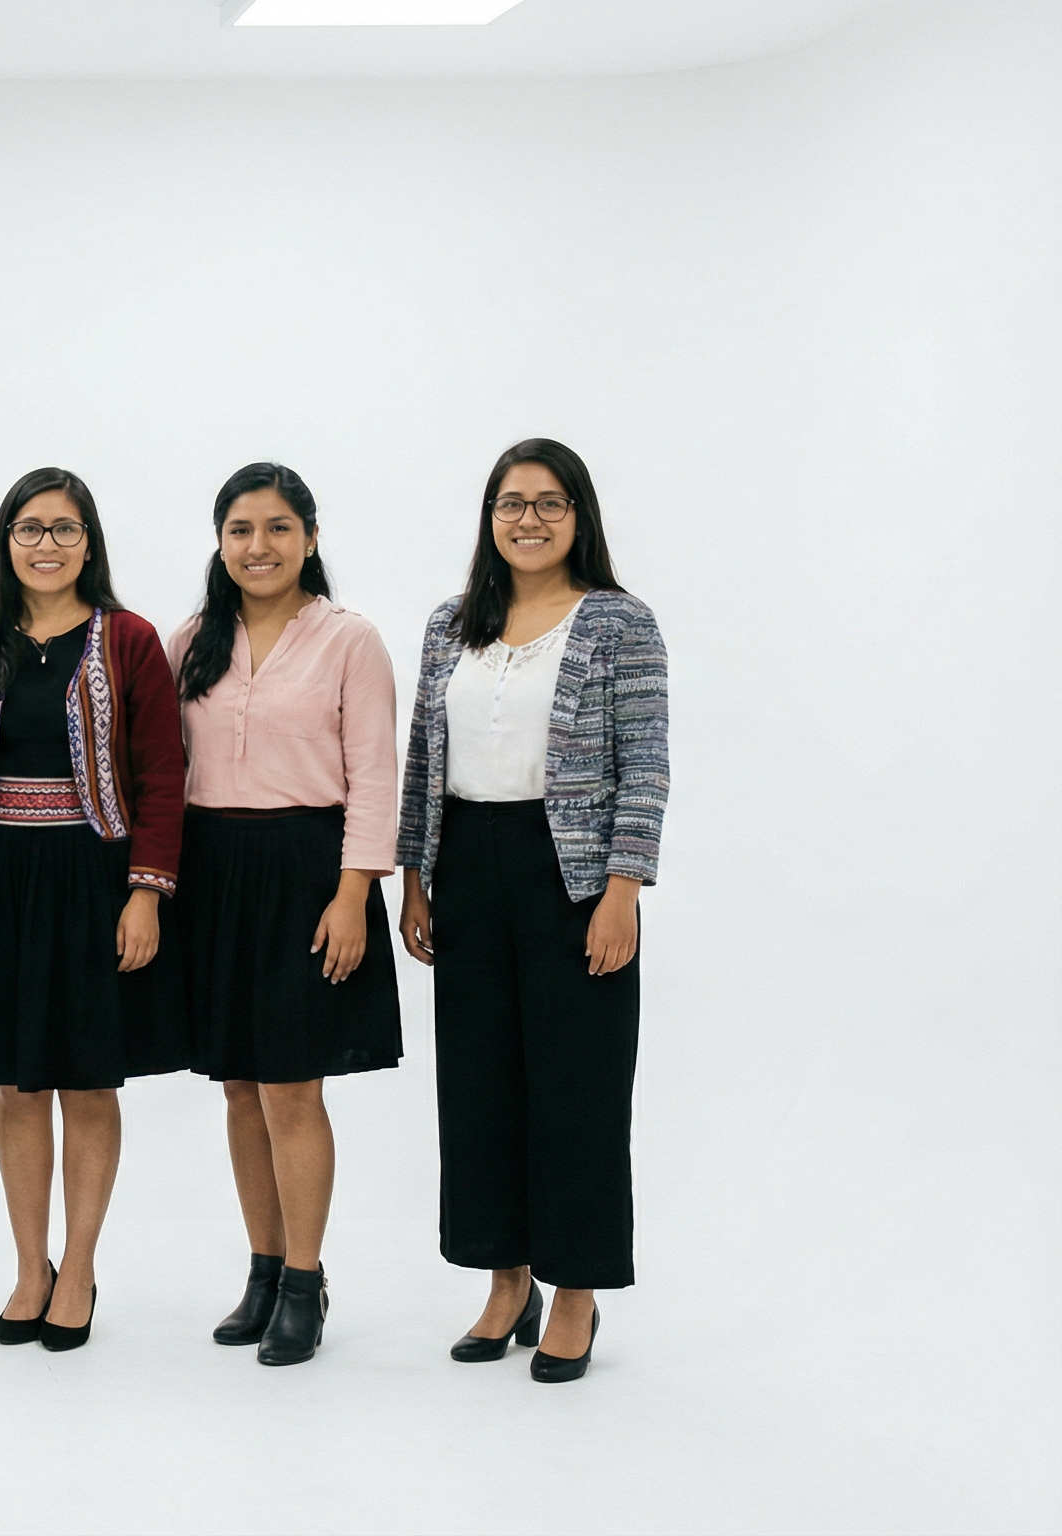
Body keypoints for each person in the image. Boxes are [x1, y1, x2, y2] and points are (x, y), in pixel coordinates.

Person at [396, 438, 667, 1384]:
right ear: (490, 518)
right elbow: (424, 758)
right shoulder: (449, 625)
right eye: (512, 503)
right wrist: (416, 874)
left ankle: (577, 1293)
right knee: (478, 1087)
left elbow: (646, 768)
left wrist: (623, 890)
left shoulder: (620, 625)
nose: (529, 519)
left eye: (550, 503)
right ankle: (506, 1281)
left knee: (579, 1089)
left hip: (575, 877)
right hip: (467, 860)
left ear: (580, 517)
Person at [0, 466, 187, 1355]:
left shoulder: (130, 640)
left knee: (89, 1079)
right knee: (17, 1081)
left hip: (96, 880)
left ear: (90, 542)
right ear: (6, 542)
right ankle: (28, 1266)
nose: (46, 545)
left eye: (64, 529)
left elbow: (161, 774)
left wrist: (146, 893)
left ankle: (80, 1267)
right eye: (30, 529)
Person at [162, 463, 401, 1367]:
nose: (257, 547)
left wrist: (355, 892)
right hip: (212, 871)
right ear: (220, 543)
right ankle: (262, 1271)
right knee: (237, 1085)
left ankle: (306, 1281)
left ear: (308, 537)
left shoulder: (350, 641)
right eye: (239, 531)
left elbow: (375, 772)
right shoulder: (192, 640)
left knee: (294, 1086)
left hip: (310, 873)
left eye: (276, 528)